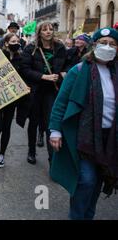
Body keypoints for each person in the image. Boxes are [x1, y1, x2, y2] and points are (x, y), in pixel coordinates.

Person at [49, 27, 118, 220]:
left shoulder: (116, 72)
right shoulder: (78, 71)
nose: (108, 47)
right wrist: (55, 130)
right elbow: (61, 102)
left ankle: (88, 215)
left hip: (109, 139)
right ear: (94, 46)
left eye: (112, 44)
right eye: (103, 43)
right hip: (84, 136)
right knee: (86, 181)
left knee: (98, 182)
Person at [21, 21, 66, 165]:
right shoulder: (31, 48)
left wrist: (62, 74)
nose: (48, 32)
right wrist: (43, 76)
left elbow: (69, 64)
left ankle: (52, 158)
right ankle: (31, 151)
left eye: (50, 29)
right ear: (39, 32)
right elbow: (25, 69)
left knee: (49, 124)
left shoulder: (60, 47)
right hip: (35, 91)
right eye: (45, 30)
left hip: (52, 91)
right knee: (33, 122)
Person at [0, 33, 23, 168]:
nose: (16, 43)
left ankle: (2, 154)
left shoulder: (20, 59)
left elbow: (23, 75)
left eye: (17, 41)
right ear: (6, 43)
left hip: (11, 98)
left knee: (6, 126)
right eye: (13, 41)